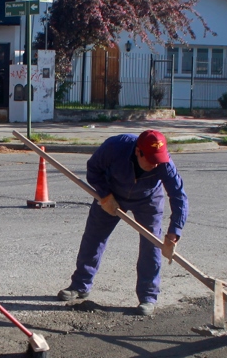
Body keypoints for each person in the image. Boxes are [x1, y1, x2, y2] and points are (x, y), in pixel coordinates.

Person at [57, 130, 188, 316]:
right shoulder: (115, 147)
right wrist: (104, 194)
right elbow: (93, 168)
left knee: (151, 246)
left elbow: (179, 196)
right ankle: (80, 285)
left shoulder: (164, 163)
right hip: (112, 193)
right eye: (150, 159)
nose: (155, 163)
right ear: (137, 151)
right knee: (94, 237)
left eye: (158, 159)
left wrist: (174, 231)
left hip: (148, 200)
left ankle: (148, 297)